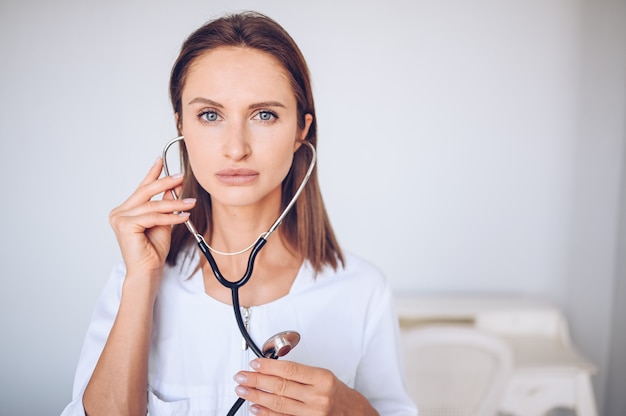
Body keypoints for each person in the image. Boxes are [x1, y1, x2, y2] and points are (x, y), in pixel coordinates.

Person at [61, 11, 417, 416]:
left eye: (264, 114)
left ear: (301, 130)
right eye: (210, 115)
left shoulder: (362, 289)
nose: (236, 148)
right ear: (181, 125)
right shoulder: (135, 278)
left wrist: (347, 409)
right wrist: (142, 279)